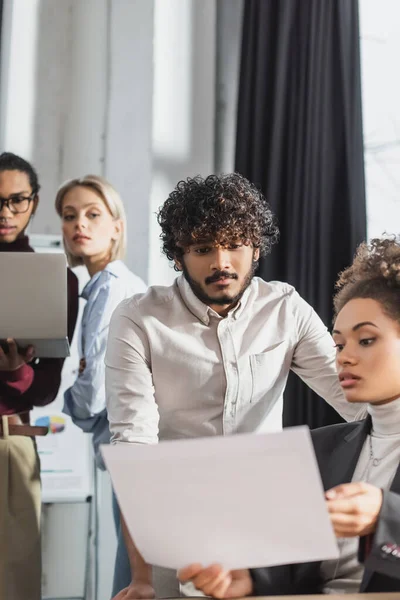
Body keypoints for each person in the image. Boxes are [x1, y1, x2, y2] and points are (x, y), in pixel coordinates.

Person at [105, 172, 366, 599]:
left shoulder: (285, 309)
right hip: (175, 526)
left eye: (234, 245)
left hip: (266, 528)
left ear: (256, 249)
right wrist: (141, 579)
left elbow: (356, 401)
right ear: (178, 255)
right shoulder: (137, 319)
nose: (220, 262)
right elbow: (134, 448)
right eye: (203, 248)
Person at [179, 236, 400, 596]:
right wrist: (249, 579)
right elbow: (296, 565)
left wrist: (384, 519)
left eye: (367, 340)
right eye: (339, 344)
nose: (343, 357)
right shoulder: (319, 448)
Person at [55, 175, 147, 597]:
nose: (80, 225)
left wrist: (70, 406)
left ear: (117, 225)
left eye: (93, 215)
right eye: (70, 216)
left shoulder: (108, 289)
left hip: (131, 448)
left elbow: (94, 391)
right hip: (140, 446)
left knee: (131, 575)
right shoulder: (119, 285)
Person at [0, 152, 79, 600]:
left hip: (8, 445)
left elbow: (46, 388)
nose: (5, 213)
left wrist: (15, 374)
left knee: (12, 584)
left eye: (17, 201)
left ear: (34, 202)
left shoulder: (57, 281)